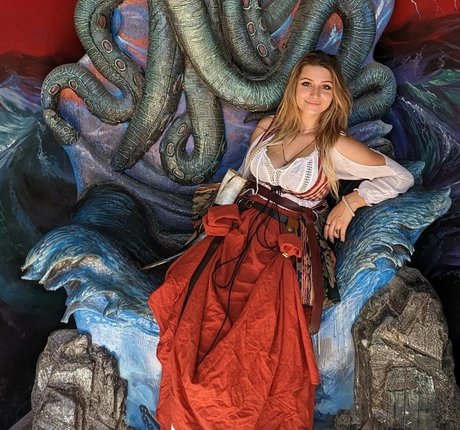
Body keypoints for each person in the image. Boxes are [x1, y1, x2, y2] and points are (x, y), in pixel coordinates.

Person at [148, 50, 414, 429]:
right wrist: (216, 219)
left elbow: (400, 177)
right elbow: (243, 178)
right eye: (307, 84)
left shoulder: (335, 145)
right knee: (188, 298)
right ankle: (185, 409)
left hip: (285, 241)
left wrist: (351, 202)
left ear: (336, 94)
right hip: (241, 230)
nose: (315, 94)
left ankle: (229, 414)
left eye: (325, 87)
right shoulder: (268, 127)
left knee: (258, 330)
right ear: (294, 88)